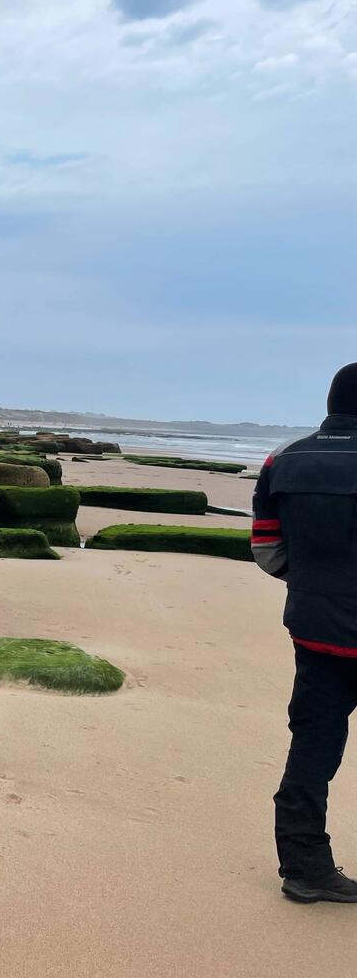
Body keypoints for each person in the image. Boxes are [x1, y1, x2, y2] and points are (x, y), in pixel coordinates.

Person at [254, 362, 357, 904]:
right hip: (322, 626)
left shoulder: (284, 458)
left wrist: (315, 587)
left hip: (317, 633)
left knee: (312, 749)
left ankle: (305, 869)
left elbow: (267, 549)